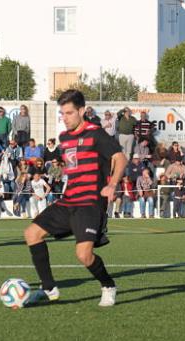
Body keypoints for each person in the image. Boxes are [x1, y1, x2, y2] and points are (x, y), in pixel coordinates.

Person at [24, 90, 127, 307]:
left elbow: (120, 158)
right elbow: (74, 164)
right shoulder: (64, 138)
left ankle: (108, 285)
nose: (65, 118)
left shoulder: (96, 133)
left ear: (81, 111)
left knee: (83, 255)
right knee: (32, 233)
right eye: (62, 113)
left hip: (90, 203)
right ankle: (49, 288)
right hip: (69, 199)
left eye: (69, 113)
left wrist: (112, 184)